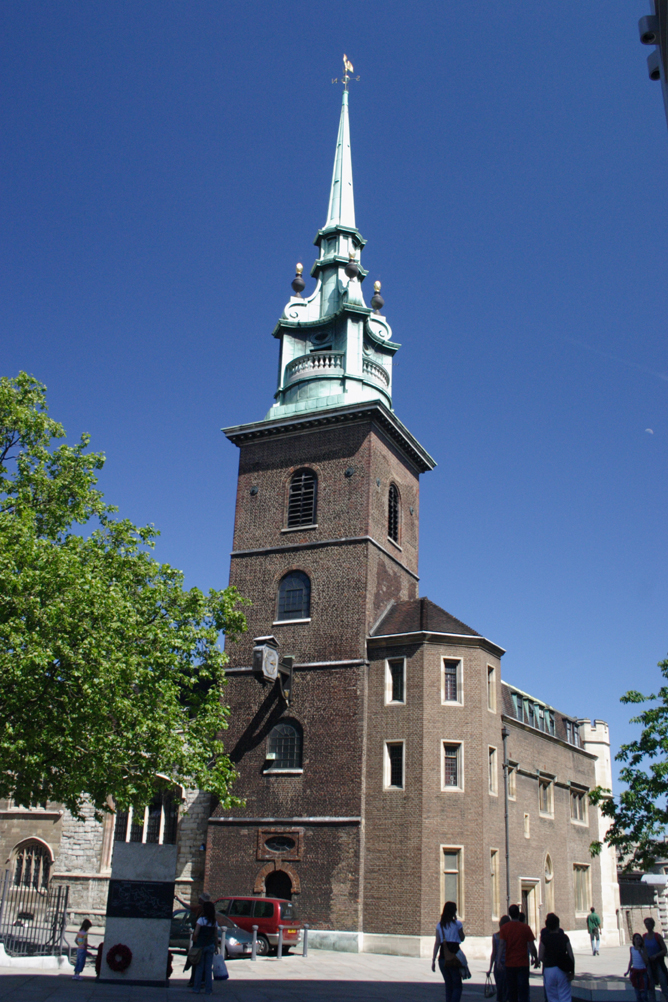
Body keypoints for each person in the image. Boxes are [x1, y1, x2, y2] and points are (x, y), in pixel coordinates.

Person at [499, 903, 538, 1002]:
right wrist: (536, 958)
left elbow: (501, 945)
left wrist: (498, 960)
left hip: (510, 963)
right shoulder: (525, 928)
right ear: (518, 914)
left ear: (510, 915)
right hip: (523, 964)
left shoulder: (505, 928)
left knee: (512, 992)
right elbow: (531, 946)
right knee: (523, 991)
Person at [431, 901, 466, 1002]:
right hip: (454, 957)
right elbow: (462, 938)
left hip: (443, 957)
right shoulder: (457, 924)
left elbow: (437, 943)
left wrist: (433, 960)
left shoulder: (440, 925)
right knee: (457, 986)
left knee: (448, 985)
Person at [539, 912, 574, 1002]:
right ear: (558, 925)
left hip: (549, 969)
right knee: (565, 996)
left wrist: (546, 962)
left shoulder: (544, 939)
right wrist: (572, 971)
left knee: (552, 997)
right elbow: (570, 954)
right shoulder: (564, 937)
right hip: (562, 968)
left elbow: (541, 956)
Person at [182, 893, 211, 988]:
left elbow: (197, 931)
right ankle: (206, 985)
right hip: (209, 943)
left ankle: (195, 983)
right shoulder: (212, 918)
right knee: (207, 966)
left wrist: (195, 937)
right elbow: (214, 933)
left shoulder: (200, 918)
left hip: (199, 942)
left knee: (196, 963)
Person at [191, 900, 220, 996]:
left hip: (201, 946)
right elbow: (215, 936)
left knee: (199, 968)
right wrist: (216, 946)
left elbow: (196, 933)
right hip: (210, 945)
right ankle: (209, 990)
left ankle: (196, 988)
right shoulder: (214, 922)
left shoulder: (201, 920)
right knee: (208, 969)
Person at [643, 918, 668, 1002]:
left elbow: (665, 950)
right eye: (646, 924)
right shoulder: (644, 937)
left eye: (649, 923)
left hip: (658, 963)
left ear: (652, 925)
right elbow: (643, 950)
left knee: (663, 982)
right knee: (650, 985)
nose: (647, 925)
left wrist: (656, 955)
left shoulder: (657, 936)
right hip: (649, 963)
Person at [487, 915, 510, 1002]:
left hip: (498, 965)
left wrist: (490, 968)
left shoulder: (495, 936)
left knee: (499, 988)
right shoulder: (510, 937)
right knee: (507, 989)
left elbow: (494, 953)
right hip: (508, 964)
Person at [626, 933, 651, 1002]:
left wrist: (640, 952)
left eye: (640, 939)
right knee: (638, 994)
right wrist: (628, 971)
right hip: (635, 972)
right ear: (634, 940)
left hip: (643, 973)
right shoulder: (632, 949)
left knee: (644, 995)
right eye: (637, 939)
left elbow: (646, 961)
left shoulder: (643, 949)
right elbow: (631, 960)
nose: (638, 940)